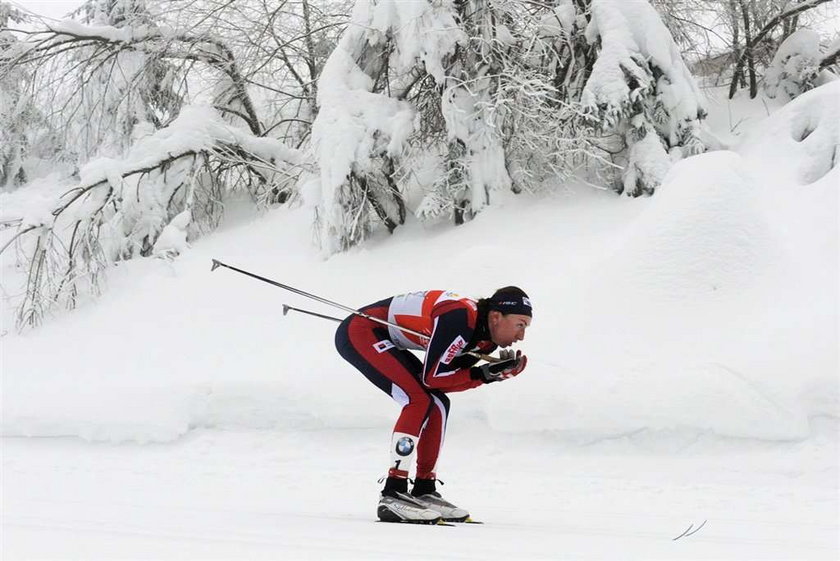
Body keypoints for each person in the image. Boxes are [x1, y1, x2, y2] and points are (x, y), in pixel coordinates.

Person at [334, 286, 532, 524]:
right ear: (496, 317)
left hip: (386, 336)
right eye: (520, 324)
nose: (521, 336)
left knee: (437, 402)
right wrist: (483, 375)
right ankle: (393, 491)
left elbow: (451, 374)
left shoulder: (484, 339)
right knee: (418, 399)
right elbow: (434, 378)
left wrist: (493, 373)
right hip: (363, 330)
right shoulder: (459, 318)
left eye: (525, 327)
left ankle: (423, 488)